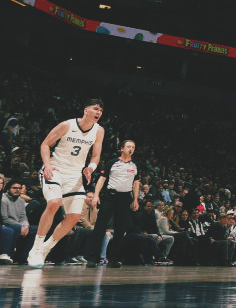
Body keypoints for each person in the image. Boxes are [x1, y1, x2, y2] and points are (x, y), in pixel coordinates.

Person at [29, 99, 106, 268]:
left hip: (75, 175)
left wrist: (91, 168)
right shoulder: (66, 125)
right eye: (96, 109)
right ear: (86, 110)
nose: (99, 113)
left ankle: (45, 249)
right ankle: (35, 249)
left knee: (74, 217)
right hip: (56, 169)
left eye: (101, 110)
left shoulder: (99, 131)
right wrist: (47, 165)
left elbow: (95, 155)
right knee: (55, 202)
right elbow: (45, 144)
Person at [86, 139, 141, 268]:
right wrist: (96, 195)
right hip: (110, 197)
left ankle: (114, 259)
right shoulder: (112, 162)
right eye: (128, 146)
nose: (131, 149)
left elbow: (136, 183)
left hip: (125, 198)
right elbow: (102, 179)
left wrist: (135, 199)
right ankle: (92, 258)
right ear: (122, 148)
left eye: (133, 147)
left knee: (120, 230)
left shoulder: (135, 165)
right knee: (100, 227)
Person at [1, 178, 37, 263]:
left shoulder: (21, 201)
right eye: (14, 188)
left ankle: (23, 257)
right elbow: (4, 218)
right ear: (8, 189)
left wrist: (26, 226)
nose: (17, 190)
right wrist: (21, 226)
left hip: (19, 224)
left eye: (19, 188)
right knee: (15, 228)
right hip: (8, 224)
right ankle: (8, 254)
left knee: (35, 229)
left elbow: (23, 216)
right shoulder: (3, 199)